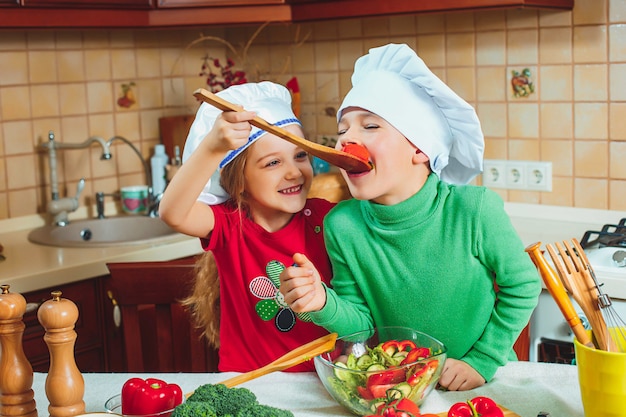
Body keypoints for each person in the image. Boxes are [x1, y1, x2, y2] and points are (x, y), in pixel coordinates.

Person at [279, 44, 542, 390]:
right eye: (342, 131)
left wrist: (483, 361)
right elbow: (362, 327)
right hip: (402, 389)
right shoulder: (343, 225)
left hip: (485, 384)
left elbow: (523, 285)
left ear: (420, 148)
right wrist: (323, 303)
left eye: (370, 126)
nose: (347, 141)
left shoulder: (474, 210)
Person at [159, 81, 338, 373]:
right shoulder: (230, 225)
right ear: (238, 181)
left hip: (323, 383)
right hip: (251, 384)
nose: (293, 171)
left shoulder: (329, 219)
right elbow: (172, 213)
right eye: (273, 163)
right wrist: (212, 149)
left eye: (300, 155)